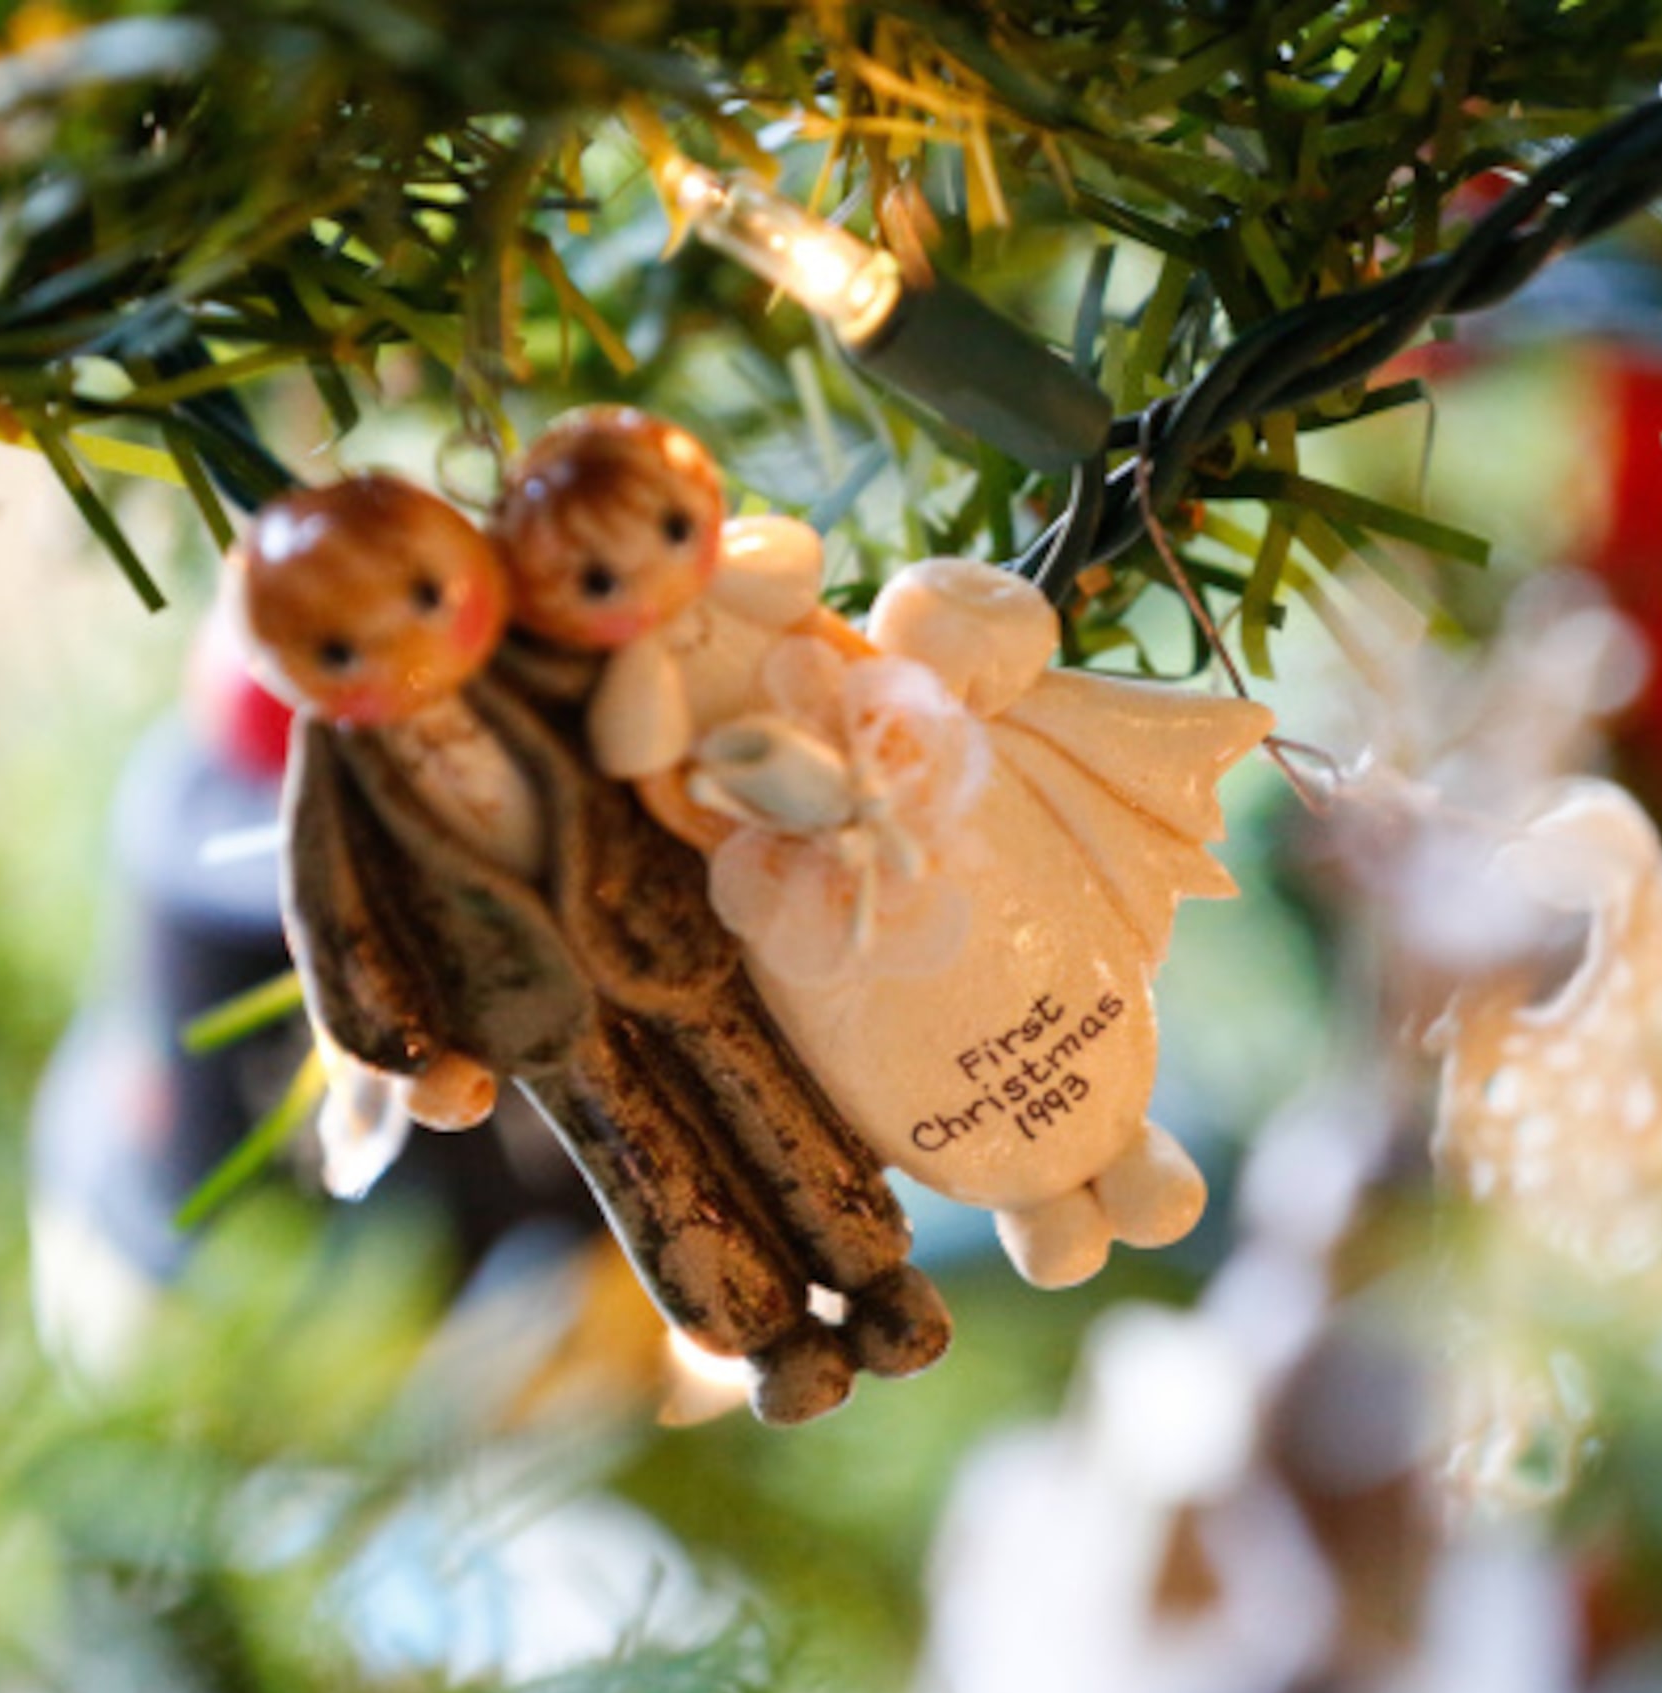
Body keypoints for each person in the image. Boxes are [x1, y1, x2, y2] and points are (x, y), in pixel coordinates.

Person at [496, 409, 1273, 1288]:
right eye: (602, 580)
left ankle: (1124, 1140)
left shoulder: (748, 580)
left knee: (1006, 888)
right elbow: (641, 757)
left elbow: (794, 570)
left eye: (672, 531)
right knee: (887, 1023)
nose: (652, 575)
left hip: (912, 781)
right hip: (790, 878)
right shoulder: (641, 679)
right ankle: (1030, 1196)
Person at [234, 472, 949, 1423]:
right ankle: (764, 1335)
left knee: (765, 1094)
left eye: (422, 597)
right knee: (643, 1168)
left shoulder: (540, 662)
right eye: (338, 647)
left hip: (655, 919)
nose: (403, 646)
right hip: (525, 1000)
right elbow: (340, 923)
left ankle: (872, 1272)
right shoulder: (337, 792)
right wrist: (408, 1049)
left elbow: (643, 696)